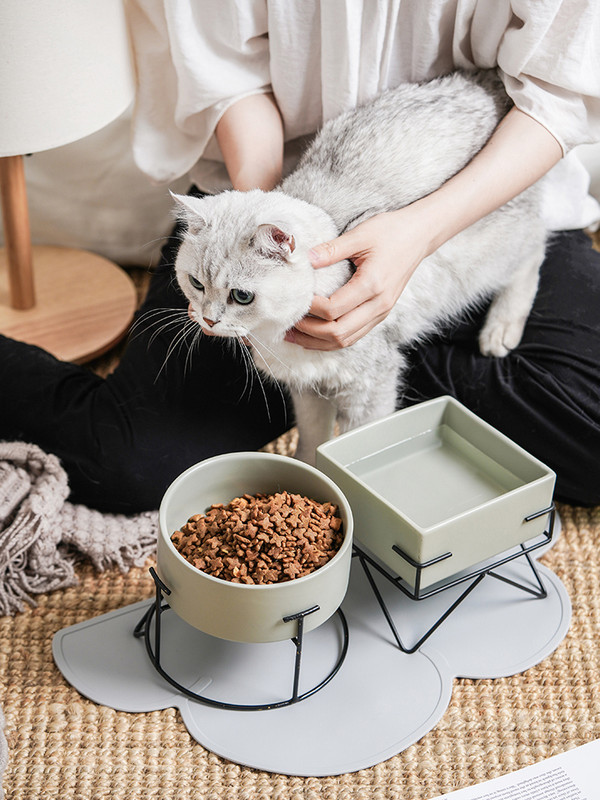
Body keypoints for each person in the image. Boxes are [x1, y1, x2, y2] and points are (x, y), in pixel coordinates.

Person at [1, 0, 599, 513]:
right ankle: (372, 363)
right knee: (129, 459)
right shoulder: (230, 265)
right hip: (262, 219)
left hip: (485, 199)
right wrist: (267, 213)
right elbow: (226, 80)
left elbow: (554, 95)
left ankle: (379, 352)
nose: (202, 317)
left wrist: (417, 234)